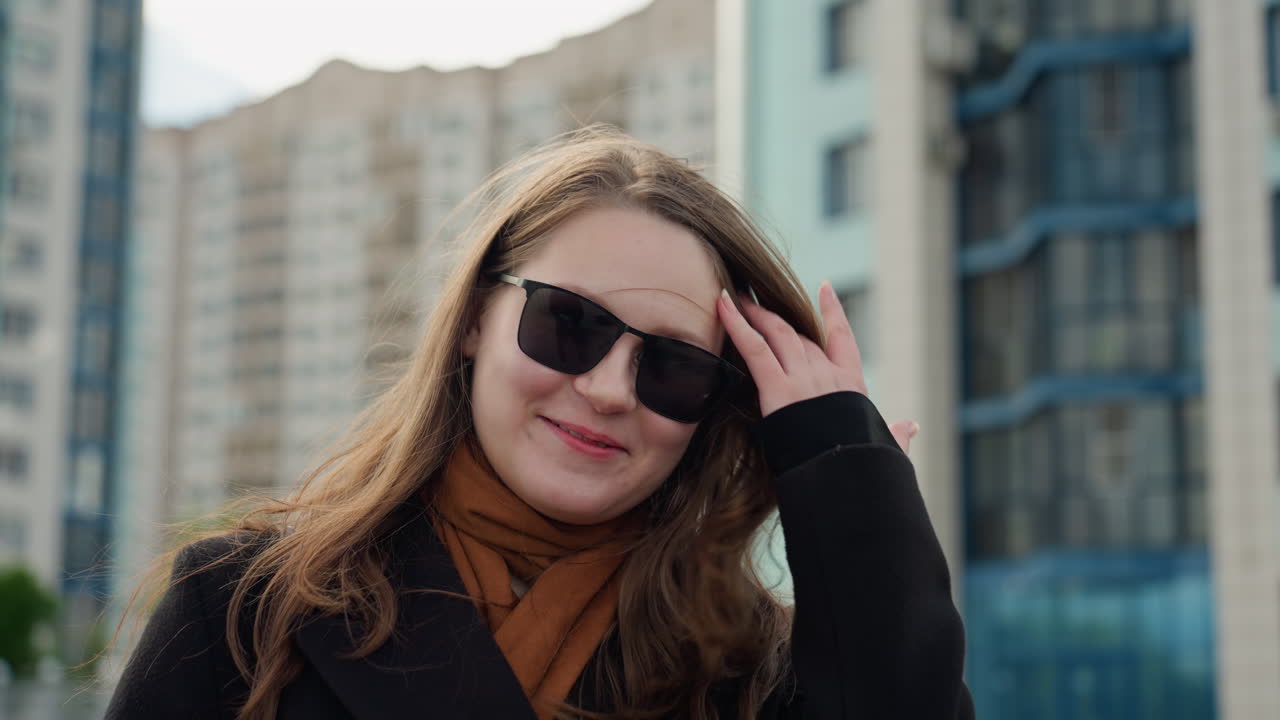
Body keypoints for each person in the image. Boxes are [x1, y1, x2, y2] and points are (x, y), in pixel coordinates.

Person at [106, 126, 974, 719]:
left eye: (673, 366)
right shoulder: (243, 609)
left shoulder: (747, 671)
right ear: (478, 318)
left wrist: (849, 487)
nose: (606, 389)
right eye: (569, 323)